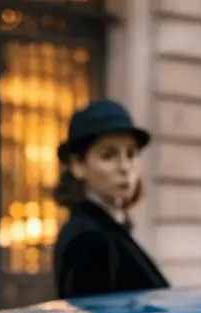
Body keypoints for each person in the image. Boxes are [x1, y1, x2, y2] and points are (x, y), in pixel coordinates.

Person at [53, 100, 169, 299]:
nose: (125, 167)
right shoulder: (88, 240)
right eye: (108, 156)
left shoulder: (110, 229)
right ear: (78, 165)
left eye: (131, 154)